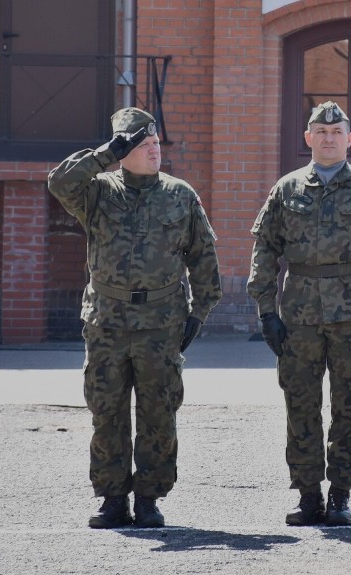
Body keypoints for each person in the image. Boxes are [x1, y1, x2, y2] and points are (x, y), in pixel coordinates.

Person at [47, 107, 222, 528]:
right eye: (143, 146)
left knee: (159, 413)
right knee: (106, 411)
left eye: (156, 144)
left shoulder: (180, 195)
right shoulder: (99, 192)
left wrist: (200, 311)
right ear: (122, 149)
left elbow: (203, 256)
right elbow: (59, 182)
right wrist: (103, 155)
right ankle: (112, 498)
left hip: (161, 322)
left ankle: (149, 498)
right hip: (106, 321)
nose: (154, 151)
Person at [247, 101, 351, 527]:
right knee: (300, 403)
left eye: (337, 132)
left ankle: (340, 493)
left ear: (350, 139)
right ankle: (307, 493)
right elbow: (264, 248)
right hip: (297, 313)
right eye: (320, 131)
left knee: (349, 405)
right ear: (308, 138)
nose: (329, 138)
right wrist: (266, 311)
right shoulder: (287, 189)